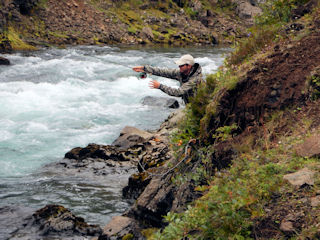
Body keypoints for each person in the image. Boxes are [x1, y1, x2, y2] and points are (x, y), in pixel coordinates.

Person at [133, 54, 203, 104]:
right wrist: (145, 69)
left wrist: (160, 86)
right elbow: (164, 72)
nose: (179, 66)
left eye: (181, 65)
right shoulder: (182, 73)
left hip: (199, 107)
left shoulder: (195, 79)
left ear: (189, 66)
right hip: (190, 106)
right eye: (179, 65)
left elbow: (178, 92)